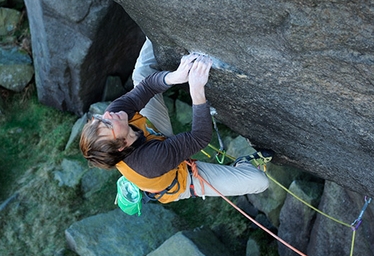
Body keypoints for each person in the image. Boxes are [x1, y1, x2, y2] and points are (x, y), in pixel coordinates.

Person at [80, 39, 269, 203]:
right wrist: (197, 90)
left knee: (141, 74)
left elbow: (146, 87)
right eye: (107, 124)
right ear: (120, 146)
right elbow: (199, 138)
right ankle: (242, 164)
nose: (107, 116)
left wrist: (175, 77)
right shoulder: (149, 161)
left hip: (154, 139)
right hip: (180, 178)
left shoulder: (115, 114)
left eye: (99, 119)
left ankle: (152, 22)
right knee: (259, 181)